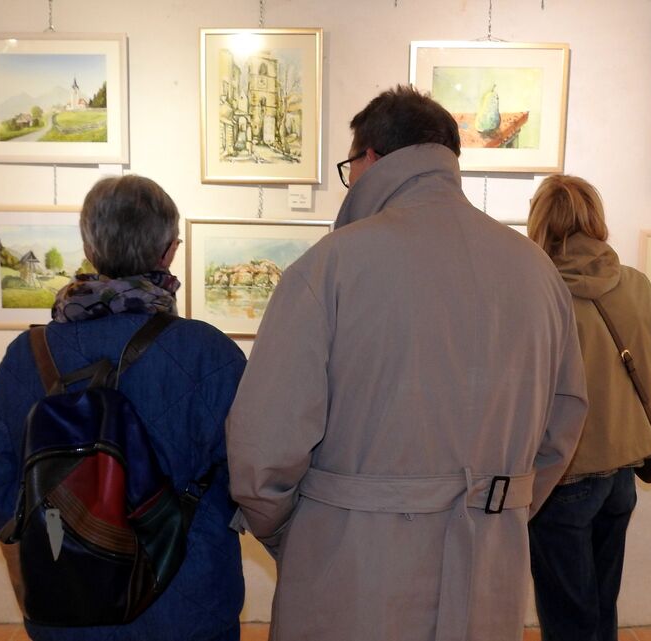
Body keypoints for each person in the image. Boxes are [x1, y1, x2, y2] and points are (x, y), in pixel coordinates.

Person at [225, 85, 590, 641]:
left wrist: (299, 532)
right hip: (486, 571)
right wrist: (495, 509)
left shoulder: (329, 268)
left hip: (351, 572)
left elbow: (263, 449)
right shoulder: (537, 271)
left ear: (370, 157)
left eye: (350, 168)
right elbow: (562, 427)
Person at [0, 175, 246, 641]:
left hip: (69, 604)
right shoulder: (210, 353)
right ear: (169, 252)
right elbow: (251, 483)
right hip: (187, 604)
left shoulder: (26, 355)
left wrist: (63, 533)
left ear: (89, 250)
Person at [525, 175, 651, 641]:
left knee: (567, 613)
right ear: (596, 219)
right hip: (622, 473)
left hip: (561, 474)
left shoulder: (536, 291)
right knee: (600, 605)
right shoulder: (634, 284)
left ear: (541, 221)